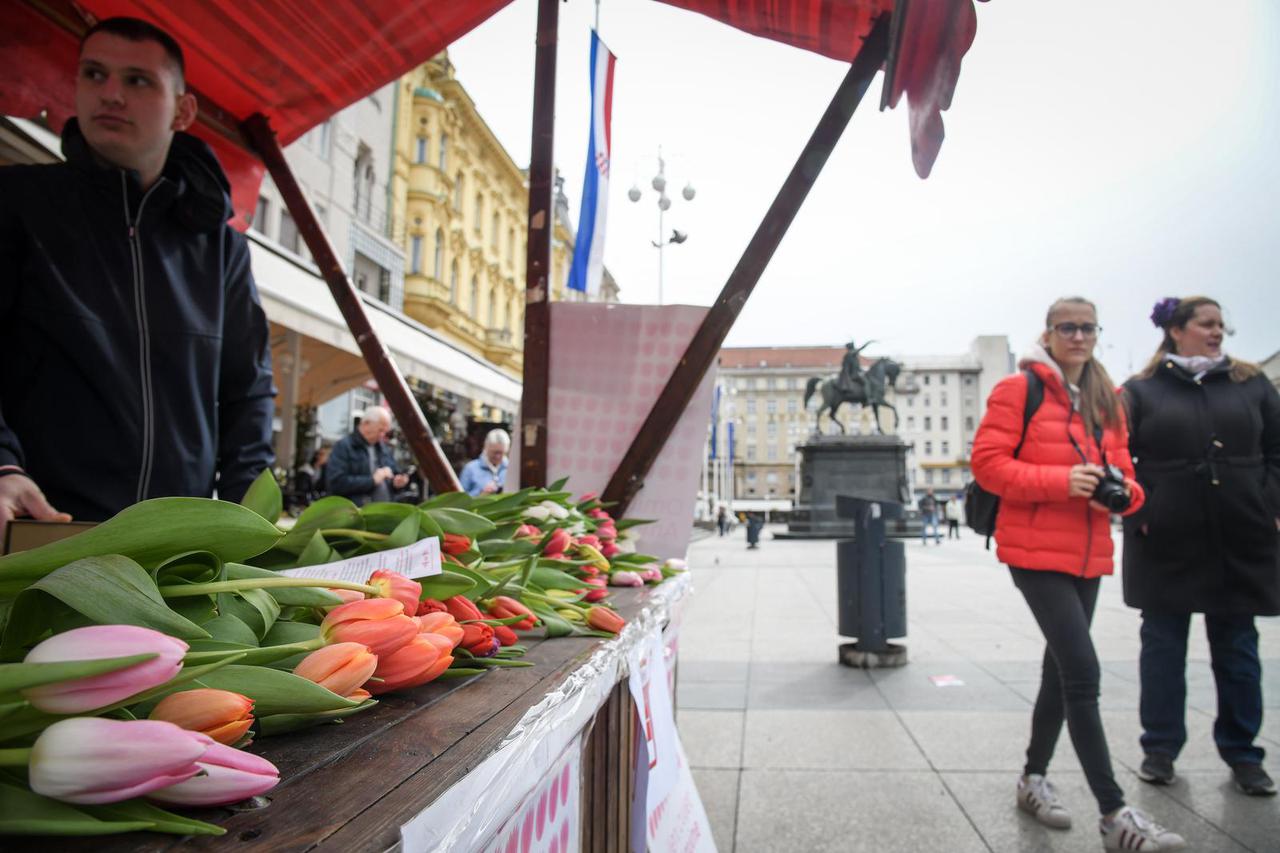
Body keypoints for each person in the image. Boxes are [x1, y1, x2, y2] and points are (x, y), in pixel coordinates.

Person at [0, 17, 275, 537]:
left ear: (183, 109)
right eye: (94, 75)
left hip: (174, 547)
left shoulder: (222, 248)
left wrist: (249, 522)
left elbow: (249, 391)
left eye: (137, 80)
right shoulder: (18, 204)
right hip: (41, 531)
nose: (111, 95)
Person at [971, 297, 1185, 851]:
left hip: (1088, 550)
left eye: (1089, 328)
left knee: (1058, 670)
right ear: (1049, 332)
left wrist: (1121, 496)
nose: (1080, 336)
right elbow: (988, 465)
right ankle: (1114, 815)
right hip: (1033, 549)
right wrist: (1060, 481)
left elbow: (1130, 479)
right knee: (1083, 672)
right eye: (1068, 327)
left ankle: (1032, 778)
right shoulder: (1019, 390)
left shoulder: (1106, 400)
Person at [1122, 296, 1280, 797]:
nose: (1218, 332)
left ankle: (1243, 753)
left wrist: (1268, 500)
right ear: (1176, 330)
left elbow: (1276, 449)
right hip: (1166, 534)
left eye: (1221, 325)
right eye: (1206, 324)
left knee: (1237, 646)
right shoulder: (1141, 390)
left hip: (1239, 529)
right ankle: (1160, 749)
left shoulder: (1250, 383)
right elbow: (1118, 458)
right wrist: (1143, 512)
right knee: (1163, 646)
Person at [326, 407, 408, 507]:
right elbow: (336, 483)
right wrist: (372, 481)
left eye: (385, 432)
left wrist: (397, 482)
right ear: (366, 424)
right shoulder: (343, 446)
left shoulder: (383, 448)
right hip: (357, 515)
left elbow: (393, 473)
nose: (383, 435)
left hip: (384, 513)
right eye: (380, 430)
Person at [460, 429, 510, 497]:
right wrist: (480, 495)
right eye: (495, 452)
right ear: (486, 447)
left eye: (501, 453)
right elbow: (459, 500)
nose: (498, 456)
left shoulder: (511, 469)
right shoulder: (470, 469)